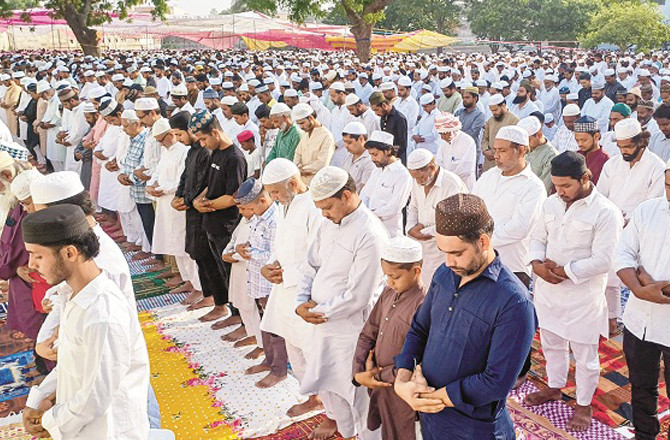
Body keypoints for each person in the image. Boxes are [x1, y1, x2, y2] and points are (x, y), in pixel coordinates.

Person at [394, 193, 537, 440]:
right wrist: (403, 380)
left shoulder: (514, 302)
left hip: (474, 429)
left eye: (457, 253)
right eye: (443, 252)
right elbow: (420, 329)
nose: (449, 261)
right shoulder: (444, 274)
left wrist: (432, 398)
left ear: (483, 242)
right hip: (432, 418)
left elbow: (496, 381)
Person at [21, 204, 150, 440]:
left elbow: (94, 398)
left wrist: (50, 422)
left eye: (38, 255)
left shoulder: (102, 314)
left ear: (70, 253)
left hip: (108, 431)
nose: (31, 265)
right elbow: (71, 363)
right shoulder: (73, 295)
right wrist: (38, 399)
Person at [525, 151, 624, 431]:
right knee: (551, 344)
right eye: (556, 185)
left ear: (585, 178)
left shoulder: (606, 212)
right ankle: (554, 387)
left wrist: (564, 271)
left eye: (566, 185)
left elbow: (604, 260)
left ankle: (583, 405)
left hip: (582, 297)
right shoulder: (550, 204)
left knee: (585, 356)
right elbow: (537, 238)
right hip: (548, 291)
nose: (560, 191)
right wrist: (537, 264)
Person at [296, 166, 387, 440]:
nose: (323, 214)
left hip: (352, 330)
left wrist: (318, 311)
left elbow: (358, 296)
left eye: (327, 207)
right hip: (321, 324)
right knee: (330, 385)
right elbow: (310, 264)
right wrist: (301, 301)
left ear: (346, 196)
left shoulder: (370, 233)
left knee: (358, 395)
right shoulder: (328, 222)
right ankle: (346, 433)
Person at [260, 158, 324, 417]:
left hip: (306, 291)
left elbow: (318, 257)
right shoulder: (284, 206)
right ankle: (311, 397)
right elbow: (282, 246)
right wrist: (269, 266)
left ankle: (328, 406)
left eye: (276, 192)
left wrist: (285, 274)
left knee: (312, 349)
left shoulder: (314, 208)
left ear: (294, 184)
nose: (273, 198)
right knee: (294, 347)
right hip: (285, 289)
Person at [613, 161, 670, 440]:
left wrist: (651, 284)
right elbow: (622, 253)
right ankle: (645, 434)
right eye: (668, 186)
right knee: (641, 385)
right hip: (639, 321)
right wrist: (638, 288)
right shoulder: (648, 210)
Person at [353, 236, 426, 440]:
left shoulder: (423, 305)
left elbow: (419, 361)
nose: (389, 282)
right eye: (386, 276)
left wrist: (377, 376)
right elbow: (369, 332)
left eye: (395, 276)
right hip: (380, 387)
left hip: (401, 391)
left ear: (416, 271)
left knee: (404, 432)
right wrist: (359, 373)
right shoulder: (388, 293)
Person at [191, 110, 247, 324]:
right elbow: (210, 184)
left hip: (227, 226)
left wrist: (208, 206)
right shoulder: (215, 153)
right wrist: (198, 200)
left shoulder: (235, 158)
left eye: (204, 139)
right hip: (212, 223)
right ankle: (227, 309)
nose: (202, 144)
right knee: (219, 271)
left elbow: (233, 197)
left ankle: (241, 318)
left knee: (232, 273)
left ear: (215, 133)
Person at [233, 178, 287, 389]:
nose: (248, 213)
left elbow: (275, 256)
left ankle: (279, 370)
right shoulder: (259, 216)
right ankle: (269, 359)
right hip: (256, 280)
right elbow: (256, 243)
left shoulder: (275, 221)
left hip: (269, 283)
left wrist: (250, 252)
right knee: (264, 323)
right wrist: (245, 247)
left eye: (250, 208)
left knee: (275, 328)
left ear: (263, 201)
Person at [146, 118, 199, 297]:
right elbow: (158, 171)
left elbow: (182, 181)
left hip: (178, 203)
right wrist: (151, 185)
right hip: (164, 204)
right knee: (174, 245)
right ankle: (187, 280)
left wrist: (163, 189)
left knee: (184, 245)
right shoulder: (166, 151)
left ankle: (198, 286)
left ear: (170, 134)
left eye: (161, 140)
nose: (160, 144)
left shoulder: (184, 152)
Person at [170, 111, 215, 307]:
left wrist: (186, 200)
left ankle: (212, 297)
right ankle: (205, 292)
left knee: (205, 254)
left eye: (179, 134)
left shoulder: (205, 151)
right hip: (191, 210)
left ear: (190, 130)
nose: (178, 139)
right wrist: (178, 196)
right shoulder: (191, 152)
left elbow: (203, 183)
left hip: (202, 211)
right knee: (196, 252)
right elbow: (185, 177)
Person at [406, 148, 467, 286]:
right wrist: (410, 229)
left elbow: (455, 220)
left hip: (444, 249)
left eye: (421, 177)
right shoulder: (417, 182)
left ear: (432, 168)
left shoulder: (451, 184)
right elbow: (413, 207)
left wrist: (424, 232)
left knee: (441, 285)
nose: (419, 182)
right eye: (415, 178)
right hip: (422, 247)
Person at [597, 118, 666, 222]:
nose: (623, 151)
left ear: (641, 142)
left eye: (628, 146)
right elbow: (600, 197)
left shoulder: (657, 167)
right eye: (620, 147)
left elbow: (652, 206)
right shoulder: (611, 164)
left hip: (639, 225)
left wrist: (630, 220)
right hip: (609, 222)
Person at [360, 130, 412, 237]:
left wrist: (370, 215)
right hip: (370, 227)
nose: (372, 159)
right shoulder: (377, 170)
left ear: (388, 151)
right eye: (370, 155)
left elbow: (394, 207)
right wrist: (362, 212)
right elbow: (365, 194)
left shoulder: (402, 175)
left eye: (375, 154)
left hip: (389, 232)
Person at [291, 103, 335, 185]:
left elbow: (322, 163)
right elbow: (297, 154)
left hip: (317, 183)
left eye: (302, 123)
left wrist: (302, 169)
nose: (301, 127)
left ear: (311, 118)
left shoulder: (326, 136)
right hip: (302, 182)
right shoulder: (305, 134)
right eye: (299, 124)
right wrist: (296, 168)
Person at [434, 111, 477, 190]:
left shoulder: (467, 141)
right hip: (446, 185)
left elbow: (466, 169)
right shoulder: (444, 143)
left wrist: (449, 179)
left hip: (464, 185)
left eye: (444, 134)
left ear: (453, 131)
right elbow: (439, 163)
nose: (442, 137)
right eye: (440, 134)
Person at [519, 115, 557, 193]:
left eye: (528, 141)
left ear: (539, 135)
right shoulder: (524, 149)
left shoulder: (552, 156)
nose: (525, 145)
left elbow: (543, 188)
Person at [481, 94, 519, 172]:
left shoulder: (514, 121)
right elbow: (485, 138)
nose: (493, 113)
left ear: (503, 105)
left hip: (505, 161)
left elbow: (515, 144)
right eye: (492, 111)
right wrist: (485, 150)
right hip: (490, 161)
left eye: (495, 110)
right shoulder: (490, 120)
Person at [369, 92, 408, 164]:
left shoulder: (399, 118)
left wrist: (391, 157)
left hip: (396, 160)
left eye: (377, 110)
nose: (376, 113)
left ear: (384, 105)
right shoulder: (383, 117)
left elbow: (402, 145)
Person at [573, 115, 610, 184]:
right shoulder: (575, 157)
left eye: (584, 140)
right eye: (577, 140)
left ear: (596, 136)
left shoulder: (605, 160)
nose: (580, 144)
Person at [341, 121, 375, 192]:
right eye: (344, 142)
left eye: (349, 142)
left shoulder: (369, 160)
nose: (346, 146)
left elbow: (365, 190)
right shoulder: (348, 156)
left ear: (361, 139)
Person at [455, 87, 486, 158]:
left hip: (471, 150)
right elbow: (452, 127)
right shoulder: (459, 112)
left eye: (467, 97)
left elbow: (472, 133)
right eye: (463, 97)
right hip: (457, 148)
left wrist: (456, 135)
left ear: (475, 98)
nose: (464, 100)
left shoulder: (479, 115)